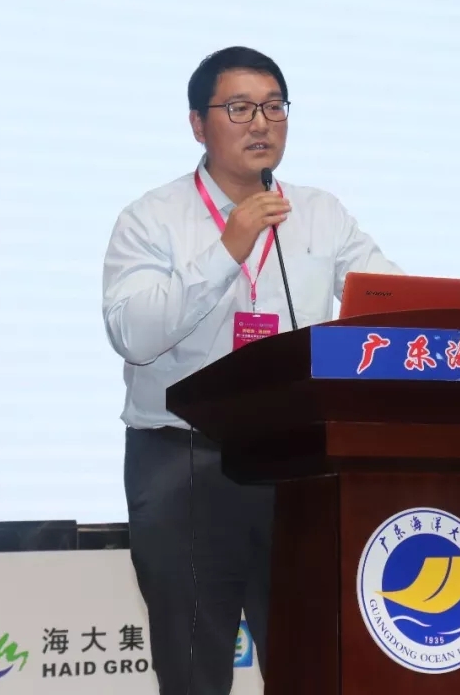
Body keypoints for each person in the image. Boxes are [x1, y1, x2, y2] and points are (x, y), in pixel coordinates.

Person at [101, 46, 402, 695]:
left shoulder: (321, 214)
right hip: (182, 461)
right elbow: (134, 335)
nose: (261, 123)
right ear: (197, 124)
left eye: (274, 107)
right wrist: (228, 247)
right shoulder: (151, 219)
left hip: (296, 467)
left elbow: (390, 301)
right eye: (239, 108)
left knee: (310, 662)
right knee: (193, 670)